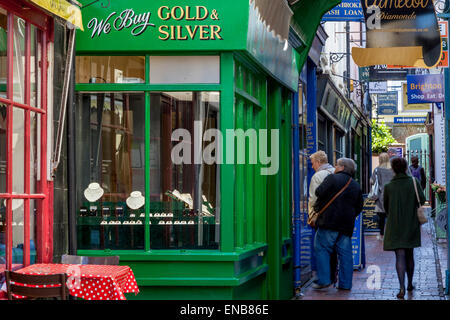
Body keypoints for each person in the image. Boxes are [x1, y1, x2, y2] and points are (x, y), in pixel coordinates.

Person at [312, 158, 364, 290]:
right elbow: (359, 207)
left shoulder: (332, 179)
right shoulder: (355, 185)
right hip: (346, 225)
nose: (334, 167)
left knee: (322, 248)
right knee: (345, 254)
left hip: (328, 222)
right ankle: (345, 284)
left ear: (341, 167)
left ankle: (324, 280)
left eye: (336, 165)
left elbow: (318, 192)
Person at [383, 157, 426, 299]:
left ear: (393, 169)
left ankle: (401, 287)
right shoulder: (414, 182)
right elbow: (422, 198)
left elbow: (386, 207)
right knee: (410, 254)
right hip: (411, 223)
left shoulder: (389, 186)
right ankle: (409, 283)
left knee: (399, 255)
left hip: (395, 225)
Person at [308, 151, 337, 285]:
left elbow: (313, 199)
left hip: (323, 217)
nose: (312, 166)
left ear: (319, 162)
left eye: (313, 163)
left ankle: (324, 279)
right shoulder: (335, 172)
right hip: (337, 217)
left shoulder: (317, 176)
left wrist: (311, 216)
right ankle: (333, 275)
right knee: (334, 250)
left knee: (321, 248)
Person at [370, 153, 394, 240]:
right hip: (392, 195)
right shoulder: (393, 169)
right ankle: (391, 234)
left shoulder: (377, 169)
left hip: (380, 196)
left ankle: (381, 235)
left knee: (381, 217)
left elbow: (372, 181)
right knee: (392, 216)